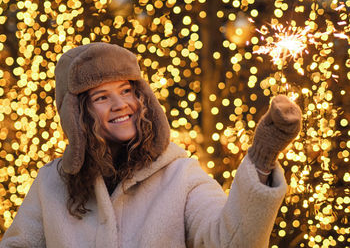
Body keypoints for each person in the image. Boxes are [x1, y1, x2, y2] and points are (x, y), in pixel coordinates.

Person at [0, 42, 302, 248]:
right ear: (78, 114)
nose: (121, 105)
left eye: (126, 91)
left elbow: (229, 240)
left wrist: (262, 158)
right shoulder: (52, 183)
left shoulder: (181, 175)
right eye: (101, 97)